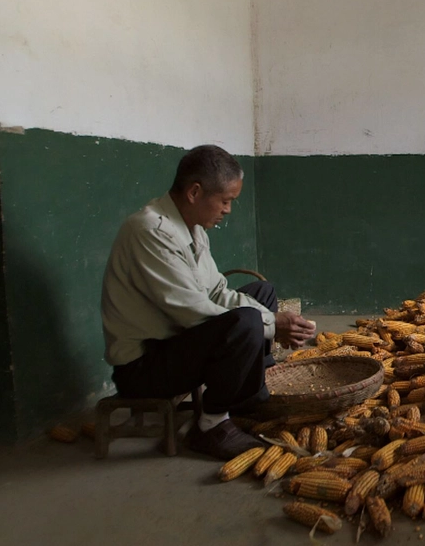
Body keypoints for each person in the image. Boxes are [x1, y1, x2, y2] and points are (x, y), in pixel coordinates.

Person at [101, 145, 315, 459]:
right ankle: (211, 426)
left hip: (177, 343)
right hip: (145, 365)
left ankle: (251, 391)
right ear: (195, 192)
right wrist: (271, 324)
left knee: (262, 294)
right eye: (225, 201)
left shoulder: (194, 230)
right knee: (249, 322)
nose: (228, 210)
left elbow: (217, 292)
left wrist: (272, 319)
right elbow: (195, 313)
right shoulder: (150, 232)